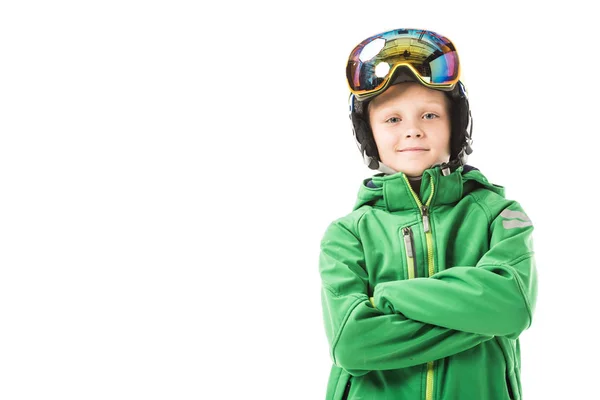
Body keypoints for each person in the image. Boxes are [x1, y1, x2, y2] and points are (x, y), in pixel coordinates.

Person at [318, 28, 537, 400]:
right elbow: (352, 343)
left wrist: (387, 298)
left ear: (455, 125)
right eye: (392, 119)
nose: (413, 130)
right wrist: (478, 317)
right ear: (369, 133)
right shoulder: (347, 234)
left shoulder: (500, 216)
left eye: (430, 115)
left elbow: (511, 307)